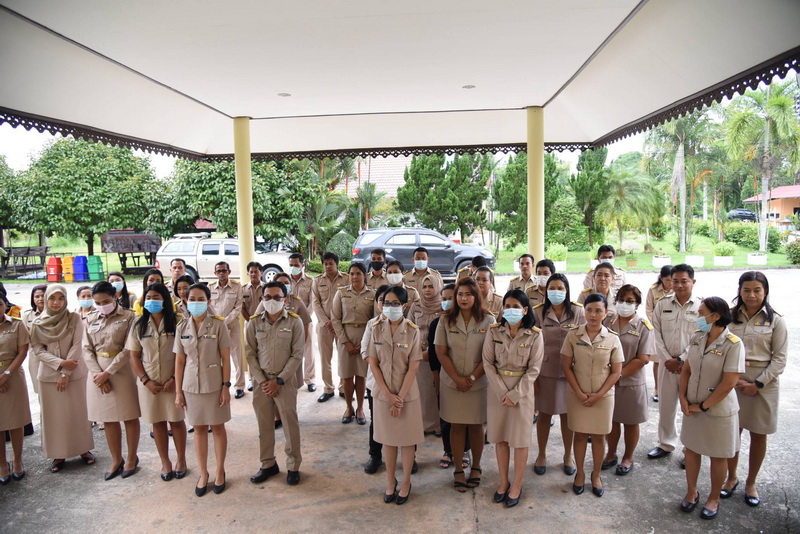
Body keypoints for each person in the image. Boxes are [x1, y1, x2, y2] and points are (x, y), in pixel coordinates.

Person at [723, 272, 787, 507]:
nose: (751, 295)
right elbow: (720, 347)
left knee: (759, 435)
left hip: (763, 386)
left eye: (757, 290)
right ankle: (731, 478)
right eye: (746, 290)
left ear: (765, 291)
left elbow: (779, 359)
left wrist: (757, 384)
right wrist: (733, 381)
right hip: (733, 382)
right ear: (740, 291)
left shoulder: (776, 321)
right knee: (733, 432)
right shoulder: (729, 317)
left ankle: (751, 482)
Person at [678, 297, 744, 520]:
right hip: (692, 406)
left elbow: (729, 382)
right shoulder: (697, 337)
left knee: (718, 456)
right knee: (692, 450)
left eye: (701, 313)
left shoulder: (733, 344)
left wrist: (704, 406)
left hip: (718, 411)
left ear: (715, 316)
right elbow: (687, 370)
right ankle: (691, 492)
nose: (698, 317)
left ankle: (714, 498)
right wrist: (682, 397)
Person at [483, 290, 543, 507]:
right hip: (497, 392)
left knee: (519, 440)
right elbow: (488, 363)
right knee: (500, 438)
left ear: (525, 310)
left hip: (522, 394)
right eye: (507, 306)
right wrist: (502, 392)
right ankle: (503, 481)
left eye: (516, 306)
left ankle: (517, 484)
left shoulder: (535, 335)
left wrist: (515, 394)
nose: (510, 310)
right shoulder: (494, 331)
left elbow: (534, 369)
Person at [435, 277, 494, 493]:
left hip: (477, 384)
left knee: (477, 426)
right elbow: (441, 352)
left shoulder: (488, 320)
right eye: (460, 294)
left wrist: (471, 378)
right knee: (457, 426)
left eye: (468, 294)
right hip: (452, 384)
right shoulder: (446, 319)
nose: (463, 298)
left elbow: (490, 355)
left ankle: (476, 467)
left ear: (476, 296)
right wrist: (458, 379)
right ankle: (459, 469)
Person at [561, 293, 623, 498]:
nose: (593, 315)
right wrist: (579, 393)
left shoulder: (613, 338)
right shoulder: (573, 335)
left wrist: (598, 395)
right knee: (579, 435)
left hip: (602, 398)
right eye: (589, 310)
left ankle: (596, 476)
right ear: (584, 311)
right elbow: (566, 366)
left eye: (598, 311)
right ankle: (579, 474)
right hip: (577, 395)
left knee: (598, 437)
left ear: (606, 313)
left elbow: (616, 372)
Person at [366, 286, 424, 505]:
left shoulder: (412, 330)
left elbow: (413, 367)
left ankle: (406, 481)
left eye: (395, 303)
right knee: (388, 441)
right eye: (387, 303)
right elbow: (373, 363)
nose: (390, 307)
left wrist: (398, 399)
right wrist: (388, 395)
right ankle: (391, 481)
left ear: (404, 305)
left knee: (407, 442)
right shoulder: (375, 328)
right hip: (383, 395)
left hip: (407, 396)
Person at [174, 283, 232, 497]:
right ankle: (203, 473)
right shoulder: (182, 327)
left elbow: (226, 358)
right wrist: (178, 392)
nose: (196, 303)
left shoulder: (218, 325)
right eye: (192, 299)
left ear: (208, 301)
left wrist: (226, 387)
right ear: (186, 301)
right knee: (198, 429)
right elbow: (179, 361)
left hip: (214, 385)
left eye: (201, 299)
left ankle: (219, 471)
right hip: (191, 386)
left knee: (217, 428)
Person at [30, 284, 95, 474]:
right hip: (49, 377)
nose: (56, 302)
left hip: (74, 375)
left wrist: (66, 373)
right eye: (52, 298)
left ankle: (83, 449)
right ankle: (58, 454)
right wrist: (60, 364)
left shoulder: (74, 318)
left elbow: (77, 344)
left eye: (60, 298)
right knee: (55, 417)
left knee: (78, 413)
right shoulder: (38, 323)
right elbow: (37, 349)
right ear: (46, 299)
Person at [126, 282, 187, 482]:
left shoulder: (178, 321)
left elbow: (185, 354)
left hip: (173, 382)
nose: (152, 301)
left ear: (165, 300)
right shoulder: (139, 324)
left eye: (156, 297)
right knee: (158, 422)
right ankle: (165, 462)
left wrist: (174, 379)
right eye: (148, 298)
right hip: (149, 384)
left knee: (176, 421)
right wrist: (145, 381)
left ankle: (181, 460)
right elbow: (134, 356)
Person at [245, 282, 304, 487]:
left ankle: (293, 466)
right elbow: (250, 354)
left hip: (284, 382)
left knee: (289, 424)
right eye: (268, 297)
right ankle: (268, 464)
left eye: (277, 297)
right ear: (262, 299)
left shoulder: (295, 322)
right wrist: (263, 381)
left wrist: (279, 381)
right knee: (264, 425)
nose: (272, 301)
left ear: (285, 299)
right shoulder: (254, 322)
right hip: (261, 383)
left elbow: (297, 355)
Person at [83, 281, 140, 480]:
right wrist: (98, 374)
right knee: (107, 419)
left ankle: (132, 458)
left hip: (121, 371)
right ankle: (116, 459)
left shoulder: (129, 316)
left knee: (129, 416)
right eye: (98, 303)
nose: (102, 306)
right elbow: (86, 349)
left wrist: (108, 373)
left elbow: (129, 348)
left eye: (106, 301)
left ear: (115, 296)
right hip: (97, 373)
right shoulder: (90, 318)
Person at [532, 273, 585, 476]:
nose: (556, 292)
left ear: (567, 290)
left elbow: (583, 340)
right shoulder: (538, 312)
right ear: (546, 291)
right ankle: (541, 454)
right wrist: (533, 376)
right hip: (544, 371)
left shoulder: (577, 311)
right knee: (544, 414)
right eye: (552, 288)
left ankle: (568, 455)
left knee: (567, 416)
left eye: (560, 288)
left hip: (570, 373)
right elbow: (532, 344)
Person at [648, 264, 701, 461]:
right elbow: (657, 334)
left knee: (690, 407)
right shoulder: (662, 304)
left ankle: (690, 449)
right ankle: (666, 443)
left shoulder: (701, 307)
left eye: (684, 281)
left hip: (692, 366)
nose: (679, 285)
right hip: (667, 365)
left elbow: (701, 337)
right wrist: (669, 360)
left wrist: (681, 360)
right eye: (675, 281)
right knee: (666, 406)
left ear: (693, 282)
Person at [601, 285, 655, 476]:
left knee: (631, 422)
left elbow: (643, 358)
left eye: (630, 301)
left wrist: (618, 374)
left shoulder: (644, 327)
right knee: (612, 420)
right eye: (622, 300)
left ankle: (628, 457)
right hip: (607, 381)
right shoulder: (607, 321)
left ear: (637, 304)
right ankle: (611, 453)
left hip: (631, 382)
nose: (625, 304)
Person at [428, 284, 471, 471]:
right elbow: (434, 355)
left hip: (468, 379)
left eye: (450, 298)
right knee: (446, 417)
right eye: (443, 299)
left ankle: (465, 450)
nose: (447, 302)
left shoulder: (473, 321)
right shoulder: (437, 323)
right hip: (445, 378)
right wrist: (437, 378)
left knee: (467, 417)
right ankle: (448, 449)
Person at [332, 263, 376, 425]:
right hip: (346, 337)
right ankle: (349, 407)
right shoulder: (341, 293)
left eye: (358, 273)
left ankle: (360, 409)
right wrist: (345, 341)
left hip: (365, 336)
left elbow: (375, 320)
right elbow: (335, 318)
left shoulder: (373, 294)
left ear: (364, 275)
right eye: (352, 274)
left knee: (361, 375)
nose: (355, 277)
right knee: (347, 375)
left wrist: (365, 342)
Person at [0, 293, 32, 484]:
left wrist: (6, 375)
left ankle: (17, 460)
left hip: (13, 375)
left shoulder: (17, 324)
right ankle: (2, 464)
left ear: (5, 305)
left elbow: (22, 352)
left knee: (15, 420)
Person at [406, 274, 443, 435]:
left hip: (437, 354)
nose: (427, 290)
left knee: (436, 390)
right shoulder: (416, 305)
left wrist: (431, 351)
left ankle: (437, 424)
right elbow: (408, 328)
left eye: (431, 286)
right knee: (421, 390)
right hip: (418, 354)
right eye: (424, 286)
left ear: (438, 287)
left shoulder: (444, 305)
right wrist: (416, 351)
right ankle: (422, 423)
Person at [361, 285, 391, 474]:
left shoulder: (408, 326)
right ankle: (375, 456)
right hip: (375, 383)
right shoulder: (372, 324)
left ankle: (409, 457)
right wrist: (377, 363)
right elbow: (365, 350)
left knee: (403, 421)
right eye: (383, 301)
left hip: (400, 384)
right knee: (377, 421)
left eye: (393, 302)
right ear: (378, 303)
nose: (387, 305)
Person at [311, 252, 348, 403]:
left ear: (336, 264)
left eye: (331, 263)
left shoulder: (346, 279)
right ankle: (328, 389)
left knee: (343, 357)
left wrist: (337, 322)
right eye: (325, 264)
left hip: (342, 325)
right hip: (324, 326)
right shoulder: (317, 280)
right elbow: (315, 302)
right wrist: (326, 321)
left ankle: (344, 388)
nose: (328, 266)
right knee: (325, 358)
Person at [208, 261, 245, 399]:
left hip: (232, 326)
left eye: (224, 270)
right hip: (215, 327)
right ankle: (220, 385)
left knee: (237, 356)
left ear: (229, 272)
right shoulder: (210, 287)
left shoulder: (236, 286)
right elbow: (208, 306)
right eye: (219, 271)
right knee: (216, 357)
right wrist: (217, 322)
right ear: (215, 273)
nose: (221, 273)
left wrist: (225, 321)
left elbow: (238, 306)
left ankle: (239, 386)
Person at [273, 272, 313, 394]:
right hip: (273, 347)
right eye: (280, 283)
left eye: (286, 283)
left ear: (290, 285)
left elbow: (305, 322)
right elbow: (256, 322)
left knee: (291, 383)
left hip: (292, 348)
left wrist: (300, 344)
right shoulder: (268, 301)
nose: (283, 285)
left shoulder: (296, 301)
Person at [287, 253, 316, 392]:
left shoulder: (310, 281)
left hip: (305, 321)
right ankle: (291, 377)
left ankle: (310, 379)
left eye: (296, 265)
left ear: (302, 265)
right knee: (288, 350)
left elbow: (313, 302)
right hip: (287, 322)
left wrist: (304, 317)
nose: (293, 267)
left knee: (308, 349)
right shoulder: (285, 280)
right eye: (291, 265)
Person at [646, 265, 673, 402]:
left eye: (672, 280)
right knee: (658, 360)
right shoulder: (653, 290)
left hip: (674, 330)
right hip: (658, 330)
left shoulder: (677, 289)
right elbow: (649, 310)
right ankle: (657, 389)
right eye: (668, 280)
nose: (671, 283)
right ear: (661, 278)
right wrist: (657, 323)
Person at [22, 284, 46, 395]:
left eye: (43, 295)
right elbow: (23, 338)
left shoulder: (59, 314)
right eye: (37, 296)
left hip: (55, 355)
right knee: (40, 390)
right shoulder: (27, 315)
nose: (40, 299)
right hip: (36, 357)